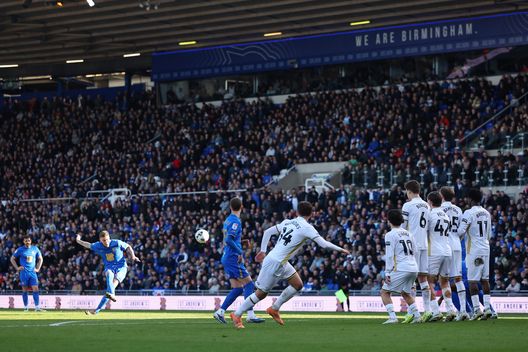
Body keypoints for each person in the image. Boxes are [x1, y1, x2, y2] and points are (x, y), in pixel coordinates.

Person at [230, 201, 350, 329]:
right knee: (261, 294)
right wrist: (341, 249)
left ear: (297, 212)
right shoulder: (307, 227)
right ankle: (237, 314)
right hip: (276, 262)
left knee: (298, 284)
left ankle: (274, 308)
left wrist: (263, 250)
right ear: (311, 214)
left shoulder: (288, 222)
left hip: (280, 261)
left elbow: (267, 232)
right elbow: (324, 244)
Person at [213, 197, 264, 324]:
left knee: (238, 289)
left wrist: (240, 244)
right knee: (249, 284)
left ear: (230, 207)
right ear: (241, 207)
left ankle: (220, 312)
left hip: (227, 256)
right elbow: (229, 240)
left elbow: (230, 239)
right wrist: (240, 251)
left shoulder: (227, 220)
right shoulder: (236, 221)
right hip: (233, 257)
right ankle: (250, 315)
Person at [76, 230, 140, 315]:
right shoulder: (98, 246)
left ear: (109, 238)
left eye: (107, 239)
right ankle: (102, 305)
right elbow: (87, 244)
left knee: (110, 289)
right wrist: (78, 240)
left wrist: (133, 256)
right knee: (109, 275)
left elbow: (128, 246)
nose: (106, 242)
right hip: (109, 267)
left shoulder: (116, 243)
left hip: (121, 268)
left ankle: (97, 310)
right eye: (103, 240)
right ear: (100, 240)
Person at [380, 209, 422, 324]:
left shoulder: (390, 235)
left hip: (402, 267)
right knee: (405, 292)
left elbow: (389, 255)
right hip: (414, 267)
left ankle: (393, 317)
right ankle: (417, 316)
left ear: (389, 221)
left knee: (384, 292)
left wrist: (387, 272)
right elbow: (416, 251)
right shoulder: (409, 233)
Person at [457, 188, 493, 320]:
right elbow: (489, 234)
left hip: (474, 251)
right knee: (485, 280)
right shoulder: (487, 213)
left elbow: (460, 232)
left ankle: (477, 309)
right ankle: (488, 309)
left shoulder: (468, 213)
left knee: (473, 281)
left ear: (470, 199)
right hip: (486, 248)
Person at [422, 191, 457, 322]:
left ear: (430, 202)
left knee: (429, 281)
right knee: (445, 282)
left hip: (434, 251)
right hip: (447, 251)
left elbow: (424, 232)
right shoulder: (446, 216)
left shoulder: (430, 215)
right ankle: (450, 309)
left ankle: (435, 311)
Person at [440, 186, 470, 321]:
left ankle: (450, 309)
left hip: (444, 245)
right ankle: (463, 311)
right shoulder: (458, 209)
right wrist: (458, 239)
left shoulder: (438, 209)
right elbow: (461, 230)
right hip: (457, 244)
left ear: (441, 196)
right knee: (458, 278)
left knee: (445, 279)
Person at [401, 180, 431, 313]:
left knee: (411, 278)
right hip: (424, 244)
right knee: (423, 278)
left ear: (409, 191)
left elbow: (402, 227)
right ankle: (428, 310)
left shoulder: (408, 206)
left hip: (412, 245)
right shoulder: (426, 205)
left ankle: (412, 311)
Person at [10, 235, 44, 312]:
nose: (27, 242)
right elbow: (12, 259)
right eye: (26, 240)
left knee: (35, 288)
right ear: (23, 241)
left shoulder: (35, 249)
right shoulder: (20, 249)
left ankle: (37, 307)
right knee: (25, 289)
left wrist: (38, 268)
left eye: (28, 240)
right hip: (24, 273)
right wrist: (17, 268)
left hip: (32, 272)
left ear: (30, 241)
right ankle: (26, 307)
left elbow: (40, 259)